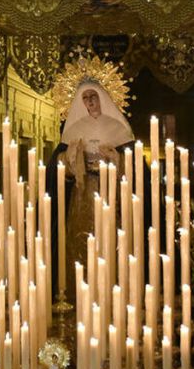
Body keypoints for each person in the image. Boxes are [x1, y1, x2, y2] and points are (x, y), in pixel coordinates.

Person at [50, 82, 134, 292]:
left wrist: (118, 160)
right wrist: (71, 159)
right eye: (85, 97)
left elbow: (136, 168)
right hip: (82, 192)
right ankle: (79, 288)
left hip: (111, 192)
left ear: (102, 98)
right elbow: (56, 167)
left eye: (93, 96)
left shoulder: (119, 128)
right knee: (81, 241)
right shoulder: (74, 129)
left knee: (111, 240)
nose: (90, 101)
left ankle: (113, 287)